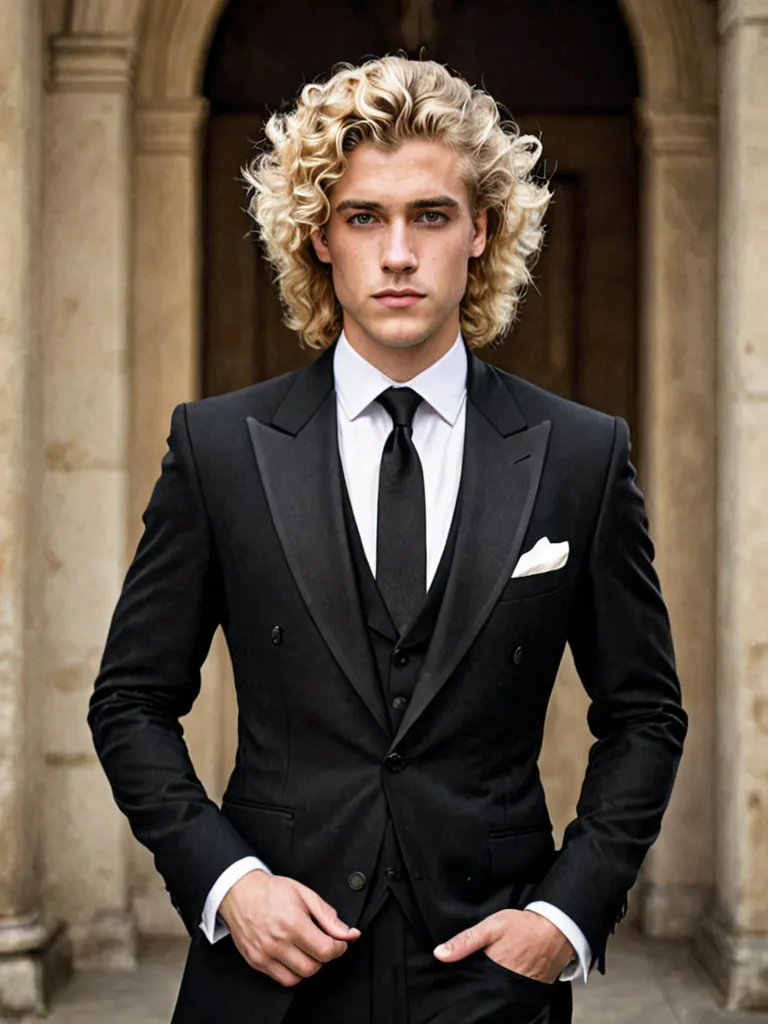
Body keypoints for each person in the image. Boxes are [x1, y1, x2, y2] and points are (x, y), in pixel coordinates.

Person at [87, 54, 687, 1024]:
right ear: (320, 235)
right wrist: (231, 883)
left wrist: (564, 919)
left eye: (431, 215)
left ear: (481, 230)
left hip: (494, 980)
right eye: (365, 217)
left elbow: (648, 714)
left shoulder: (581, 454)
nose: (398, 253)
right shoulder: (218, 450)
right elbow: (130, 703)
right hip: (269, 981)